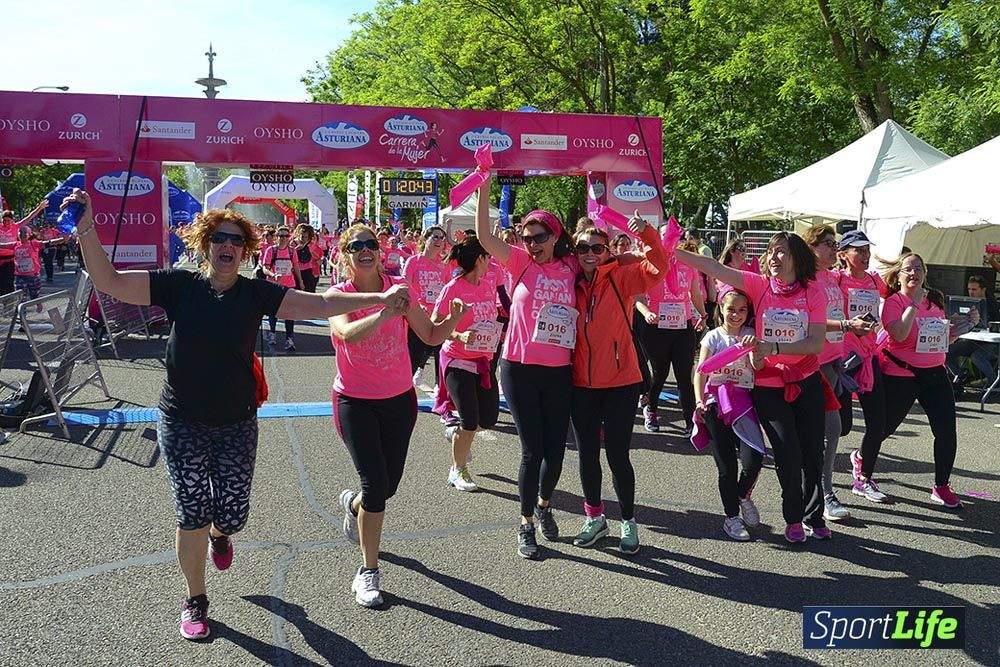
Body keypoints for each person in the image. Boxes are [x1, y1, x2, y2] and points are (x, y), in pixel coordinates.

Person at [63, 189, 409, 640]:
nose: (226, 247)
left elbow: (322, 305)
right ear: (205, 244)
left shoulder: (255, 294)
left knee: (231, 514)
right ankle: (195, 599)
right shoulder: (178, 285)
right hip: (180, 419)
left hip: (237, 422)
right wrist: (86, 224)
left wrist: (382, 298)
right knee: (192, 513)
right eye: (219, 238)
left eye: (236, 241)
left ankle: (222, 535)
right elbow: (108, 281)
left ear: (245, 251)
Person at [331, 223, 464, 608]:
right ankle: (367, 571)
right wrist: (387, 310)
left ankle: (353, 505)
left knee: (386, 488)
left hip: (398, 400)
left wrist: (454, 318)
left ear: (380, 249)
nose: (365, 250)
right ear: (345, 254)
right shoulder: (339, 294)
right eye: (356, 246)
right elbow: (347, 335)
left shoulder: (401, 290)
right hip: (355, 402)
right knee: (376, 485)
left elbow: (431, 335)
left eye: (370, 243)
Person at [676, 232, 829, 543]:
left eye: (782, 252)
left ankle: (814, 514)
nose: (773, 257)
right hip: (769, 385)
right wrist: (667, 249)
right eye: (771, 251)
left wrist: (772, 346)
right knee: (787, 452)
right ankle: (794, 518)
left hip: (807, 380)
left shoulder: (814, 292)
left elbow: (815, 343)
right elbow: (712, 267)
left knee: (813, 452)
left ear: (797, 257)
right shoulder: (759, 285)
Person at [474, 179, 578, 560]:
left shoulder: (571, 267)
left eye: (539, 237)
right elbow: (486, 236)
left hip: (558, 371)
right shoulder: (518, 261)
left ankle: (544, 504)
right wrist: (485, 185)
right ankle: (525, 524)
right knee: (532, 450)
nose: (532, 243)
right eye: (528, 237)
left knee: (557, 452)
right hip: (518, 368)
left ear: (555, 236)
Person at [569, 214, 667, 554]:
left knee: (617, 455)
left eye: (597, 247)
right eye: (583, 248)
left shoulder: (621, 278)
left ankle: (628, 521)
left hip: (622, 381)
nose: (590, 253)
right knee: (587, 456)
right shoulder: (569, 280)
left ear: (608, 251)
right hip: (581, 381)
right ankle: (594, 517)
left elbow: (658, 267)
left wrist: (648, 235)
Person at [880, 253, 974, 508]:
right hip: (903, 373)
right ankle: (861, 459)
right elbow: (899, 335)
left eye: (919, 269)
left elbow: (941, 339)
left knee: (946, 431)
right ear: (898, 274)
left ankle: (941, 486)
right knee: (885, 428)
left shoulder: (934, 300)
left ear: (925, 273)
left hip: (935, 372)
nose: (914, 273)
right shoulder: (894, 301)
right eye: (908, 269)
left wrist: (965, 327)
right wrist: (913, 304)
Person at [802, 225, 875, 522]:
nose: (834, 248)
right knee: (827, 431)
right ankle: (823, 493)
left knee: (834, 430)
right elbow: (813, 321)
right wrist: (846, 325)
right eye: (828, 244)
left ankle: (818, 489)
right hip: (812, 366)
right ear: (811, 247)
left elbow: (864, 286)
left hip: (835, 363)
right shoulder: (804, 281)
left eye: (835, 244)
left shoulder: (834, 277)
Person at [693, 290, 765, 541]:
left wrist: (754, 349)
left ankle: (743, 495)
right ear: (721, 310)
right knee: (727, 466)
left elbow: (758, 367)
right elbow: (701, 371)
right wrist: (699, 399)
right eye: (731, 309)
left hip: (744, 403)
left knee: (755, 457)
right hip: (716, 404)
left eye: (742, 310)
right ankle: (731, 518)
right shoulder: (712, 338)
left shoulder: (751, 335)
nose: (735, 315)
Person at [432, 236, 501, 492]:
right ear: (479, 259)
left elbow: (489, 318)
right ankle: (458, 469)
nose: (490, 261)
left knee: (489, 418)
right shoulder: (453, 287)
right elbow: (436, 322)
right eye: (488, 257)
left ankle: (457, 436)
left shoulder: (486, 285)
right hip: (457, 359)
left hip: (482, 360)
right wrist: (459, 334)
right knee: (470, 421)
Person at [835, 230, 891, 504]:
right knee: (842, 425)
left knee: (877, 423)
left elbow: (897, 290)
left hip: (868, 357)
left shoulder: (873, 280)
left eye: (867, 250)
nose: (865, 255)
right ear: (843, 254)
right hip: (844, 359)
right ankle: (813, 464)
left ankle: (863, 476)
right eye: (858, 250)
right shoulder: (837, 279)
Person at [635, 236, 706, 435]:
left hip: (683, 327)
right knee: (660, 374)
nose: (669, 242)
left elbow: (695, 293)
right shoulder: (648, 264)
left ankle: (690, 421)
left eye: (674, 238)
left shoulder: (687, 264)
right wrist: (647, 312)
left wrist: (703, 314)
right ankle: (651, 409)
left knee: (685, 377)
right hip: (657, 328)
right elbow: (638, 298)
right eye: (664, 238)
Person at [402, 226, 450, 385]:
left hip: (439, 318)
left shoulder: (444, 264)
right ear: (425, 239)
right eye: (435, 237)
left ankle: (441, 396)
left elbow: (450, 289)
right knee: (413, 359)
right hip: (418, 319)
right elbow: (404, 287)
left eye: (442, 238)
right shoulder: (414, 261)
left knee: (441, 358)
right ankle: (404, 390)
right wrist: (418, 305)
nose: (438, 241)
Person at [947, 274, 998, 392]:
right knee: (946, 350)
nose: (971, 292)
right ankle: (960, 377)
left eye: (974, 289)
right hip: (972, 340)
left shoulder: (992, 305)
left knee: (977, 357)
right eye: (969, 289)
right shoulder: (967, 303)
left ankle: (994, 383)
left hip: (991, 343)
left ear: (983, 289)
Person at [261, 227, 304, 352]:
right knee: (273, 311)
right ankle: (272, 333)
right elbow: (265, 268)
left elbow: (296, 266)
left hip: (289, 285)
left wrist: (300, 281)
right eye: (281, 236)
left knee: (289, 312)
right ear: (277, 237)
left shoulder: (292, 251)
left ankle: (289, 338)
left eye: (286, 236)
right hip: (273, 285)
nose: (283, 238)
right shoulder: (271, 250)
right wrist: (272, 274)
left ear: (289, 237)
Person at [0, 201, 47, 295]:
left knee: (9, 283)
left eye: (8, 220)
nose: (6, 223)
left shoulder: (16, 227)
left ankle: (10, 304)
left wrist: (40, 208)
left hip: (11, 259)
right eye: (4, 220)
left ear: (12, 220)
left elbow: (29, 217)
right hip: (0, 258)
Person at [292, 224, 323, 293]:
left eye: (306, 237)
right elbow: (289, 255)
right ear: (298, 235)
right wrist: (296, 249)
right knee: (298, 292)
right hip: (297, 270)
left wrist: (317, 258)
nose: (303, 239)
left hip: (309, 270)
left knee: (309, 292)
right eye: (302, 236)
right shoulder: (293, 243)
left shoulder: (310, 244)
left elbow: (320, 256)